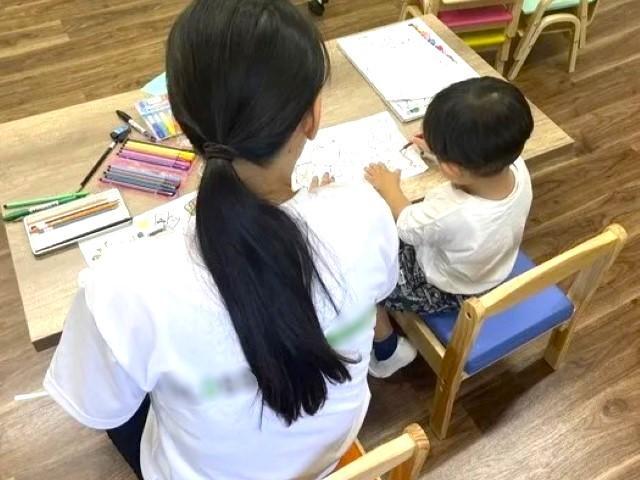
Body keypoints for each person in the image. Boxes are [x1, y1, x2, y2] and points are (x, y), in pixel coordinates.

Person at [43, 1, 399, 478]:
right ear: (312, 117)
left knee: (127, 397)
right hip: (330, 459)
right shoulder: (367, 211)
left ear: (179, 119)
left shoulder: (120, 286)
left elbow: (98, 406)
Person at [364, 76, 534, 378]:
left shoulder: (451, 212)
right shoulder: (516, 166)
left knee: (359, 276)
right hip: (493, 268)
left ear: (453, 169)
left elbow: (406, 224)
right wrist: (444, 152)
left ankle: (387, 349)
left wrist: (389, 187)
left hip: (446, 287)